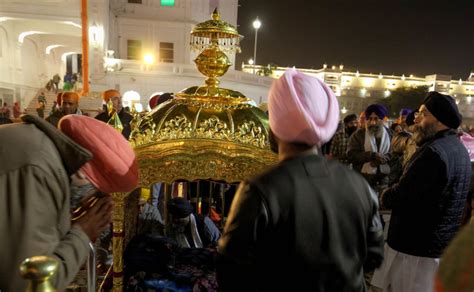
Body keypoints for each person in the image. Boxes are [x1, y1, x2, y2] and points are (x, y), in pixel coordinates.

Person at [217, 69, 384, 291]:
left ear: (274, 127)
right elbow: (374, 255)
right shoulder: (359, 185)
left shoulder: (260, 189)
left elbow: (231, 272)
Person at [0, 114, 139, 291]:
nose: (88, 203)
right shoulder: (39, 170)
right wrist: (83, 232)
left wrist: (66, 225)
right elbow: (30, 281)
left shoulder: (40, 146)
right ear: (83, 174)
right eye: (97, 194)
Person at [371, 92, 471, 292]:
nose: (415, 119)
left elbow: (403, 195)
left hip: (415, 250)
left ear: (440, 121)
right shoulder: (457, 148)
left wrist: (384, 195)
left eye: (423, 114)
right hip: (435, 247)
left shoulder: (433, 153)